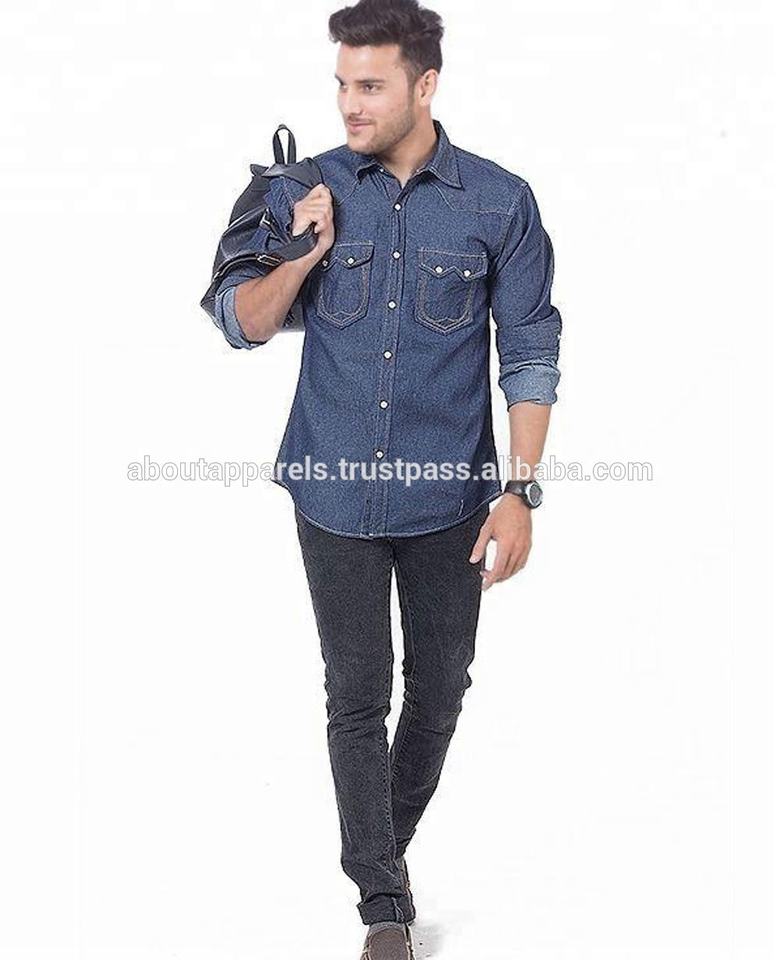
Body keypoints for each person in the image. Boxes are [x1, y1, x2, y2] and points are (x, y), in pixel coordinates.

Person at [210, 1, 562, 956]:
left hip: (451, 499)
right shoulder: (301, 188)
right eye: (341, 84)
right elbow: (239, 323)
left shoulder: (499, 202)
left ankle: (378, 849)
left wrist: (521, 491)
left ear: (425, 84)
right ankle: (382, 905)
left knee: (440, 691)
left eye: (370, 85)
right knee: (357, 695)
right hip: (332, 491)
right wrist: (303, 254)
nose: (349, 104)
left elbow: (530, 350)